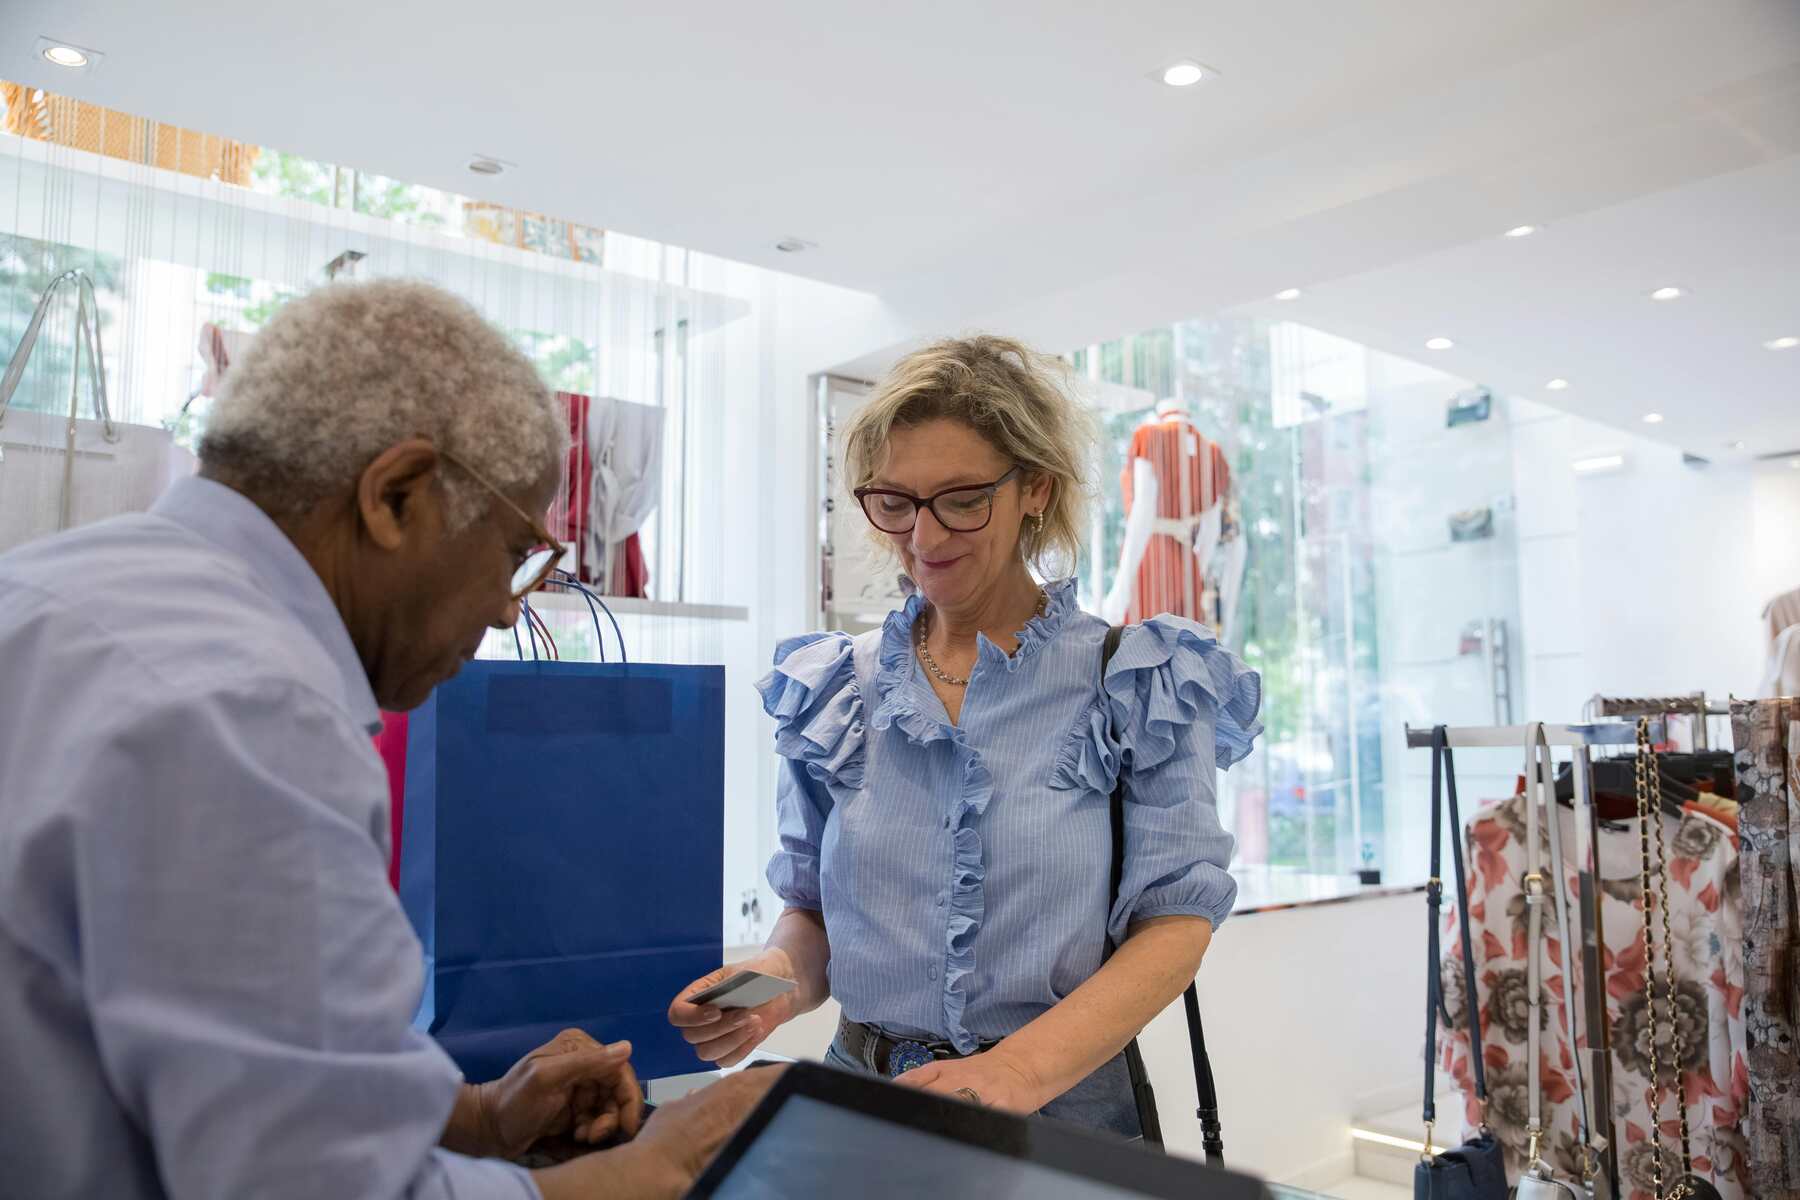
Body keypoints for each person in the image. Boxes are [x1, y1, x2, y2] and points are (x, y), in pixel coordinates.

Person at [0, 279, 776, 1199]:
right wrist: (660, 1165)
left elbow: (208, 1067)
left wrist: (481, 1118)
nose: (501, 610)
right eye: (511, 552)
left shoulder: (48, 590)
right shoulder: (257, 716)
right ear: (396, 496)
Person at [669, 336, 1261, 1136]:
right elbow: (810, 914)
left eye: (961, 499)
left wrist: (1012, 1072)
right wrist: (768, 987)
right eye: (897, 502)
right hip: (862, 1103)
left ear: (1036, 491)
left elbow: (1175, 928)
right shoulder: (836, 689)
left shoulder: (1137, 678)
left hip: (1059, 1111)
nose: (925, 535)